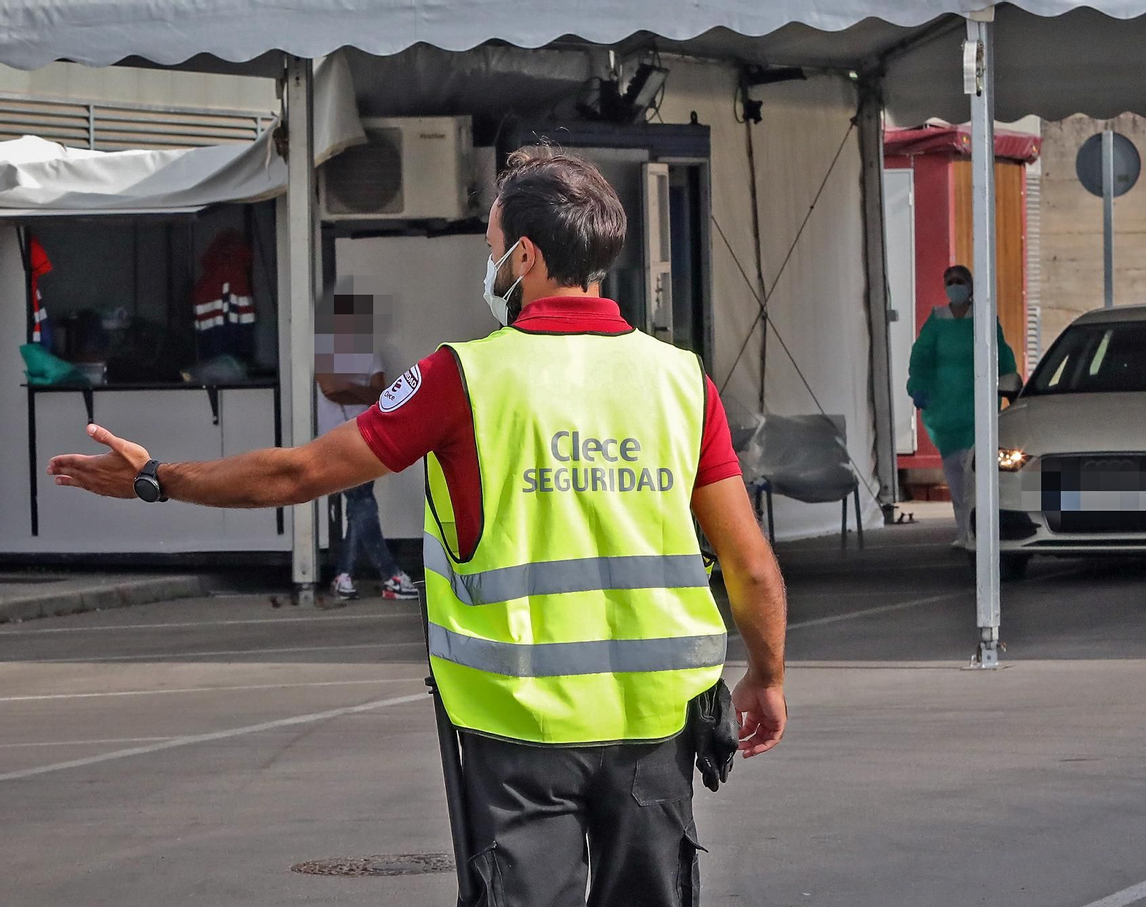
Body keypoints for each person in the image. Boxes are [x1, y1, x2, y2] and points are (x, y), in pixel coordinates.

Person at [48, 146, 788, 907]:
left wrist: (158, 478)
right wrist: (765, 674)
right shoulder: (680, 381)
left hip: (517, 726)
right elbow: (750, 564)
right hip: (657, 724)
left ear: (525, 256)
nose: (490, 261)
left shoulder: (462, 377)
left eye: (493, 246)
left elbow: (301, 473)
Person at [905, 264, 1019, 548]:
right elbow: (921, 356)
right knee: (955, 474)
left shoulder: (984, 319)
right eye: (950, 281)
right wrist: (917, 386)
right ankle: (962, 529)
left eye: (960, 281)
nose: (955, 286)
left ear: (970, 287)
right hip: (945, 409)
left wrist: (1010, 385)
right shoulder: (937, 319)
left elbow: (1001, 353)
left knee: (976, 471)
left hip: (976, 406)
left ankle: (979, 529)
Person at [315, 287, 416, 601]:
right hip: (338, 440)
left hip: (366, 436)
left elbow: (378, 394)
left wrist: (352, 389)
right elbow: (330, 389)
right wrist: (358, 390)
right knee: (363, 504)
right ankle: (391, 575)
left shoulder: (370, 353)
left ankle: (344, 576)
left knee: (359, 507)